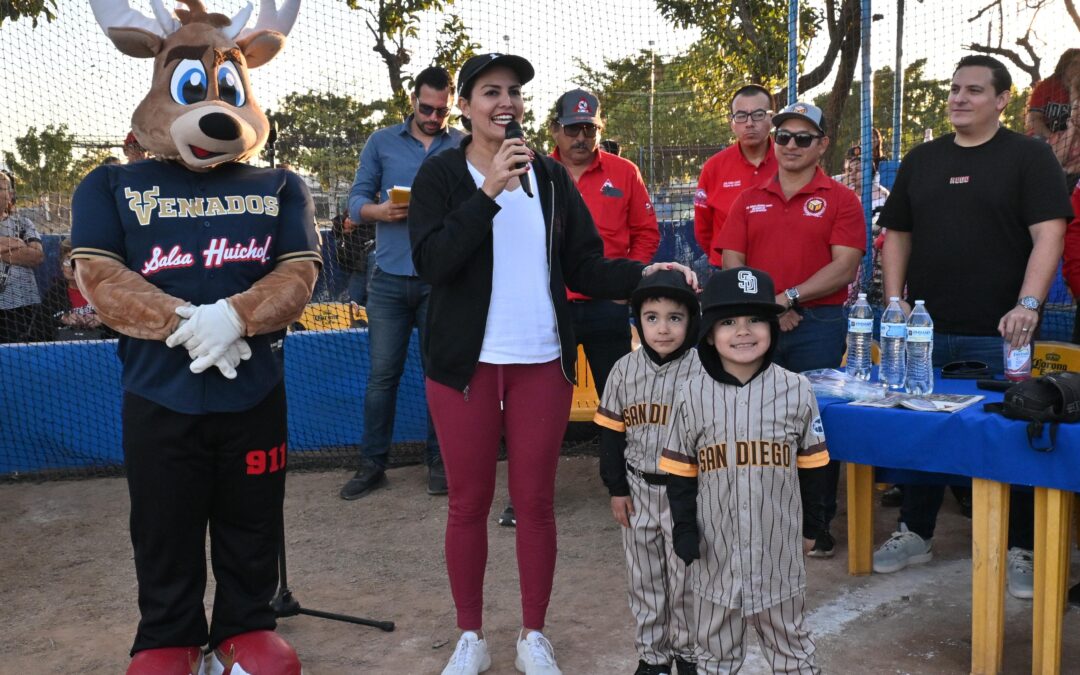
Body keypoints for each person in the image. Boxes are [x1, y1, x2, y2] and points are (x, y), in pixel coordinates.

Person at [407, 52, 696, 675]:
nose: (504, 102)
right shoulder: (442, 176)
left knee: (535, 502)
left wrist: (644, 275)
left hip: (541, 360)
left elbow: (585, 264)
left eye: (513, 91)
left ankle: (534, 634)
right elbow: (433, 263)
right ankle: (471, 636)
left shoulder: (549, 176)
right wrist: (488, 192)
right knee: (468, 502)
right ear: (464, 105)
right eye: (490, 91)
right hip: (465, 365)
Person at [76, 1, 315, 672]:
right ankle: (169, 634)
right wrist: (186, 323)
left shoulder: (279, 186)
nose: (213, 106)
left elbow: (299, 271)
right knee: (163, 524)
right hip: (161, 392)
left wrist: (236, 317)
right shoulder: (112, 184)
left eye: (226, 86)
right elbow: (97, 273)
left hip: (253, 390)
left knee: (252, 520)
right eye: (192, 85)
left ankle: (245, 624)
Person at [877, 55, 1071, 600]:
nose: (959, 98)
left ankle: (1023, 547)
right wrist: (894, 307)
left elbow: (1049, 234)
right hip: (923, 335)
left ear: (1003, 99)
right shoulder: (921, 159)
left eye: (974, 90)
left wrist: (1028, 304)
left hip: (1001, 334)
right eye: (955, 89)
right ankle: (915, 532)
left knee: (1016, 438)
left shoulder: (1029, 156)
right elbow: (896, 235)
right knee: (919, 436)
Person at [492, 89, 662, 530]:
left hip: (606, 306)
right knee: (536, 406)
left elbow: (646, 232)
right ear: (555, 130)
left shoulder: (624, 172)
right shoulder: (530, 170)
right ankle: (525, 496)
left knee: (622, 400)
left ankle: (629, 486)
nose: (581, 137)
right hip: (551, 311)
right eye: (572, 129)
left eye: (589, 129)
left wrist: (632, 281)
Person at [661, 266, 826, 675]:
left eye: (756, 319)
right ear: (709, 332)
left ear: (772, 326)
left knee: (792, 648)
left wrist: (815, 526)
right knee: (715, 653)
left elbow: (814, 466)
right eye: (728, 322)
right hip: (714, 554)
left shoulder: (796, 389)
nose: (743, 332)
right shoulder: (691, 394)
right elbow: (680, 472)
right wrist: (683, 528)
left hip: (778, 555)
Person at [719, 102, 865, 559]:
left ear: (822, 145)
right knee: (751, 423)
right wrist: (767, 308)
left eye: (804, 138)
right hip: (757, 325)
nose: (791, 146)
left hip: (818, 324)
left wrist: (791, 298)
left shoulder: (841, 199)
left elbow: (844, 267)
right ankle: (755, 522)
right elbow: (731, 261)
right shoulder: (748, 198)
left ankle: (815, 525)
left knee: (813, 426)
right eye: (784, 136)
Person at [339, 66, 464, 500]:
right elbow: (354, 203)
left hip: (441, 280)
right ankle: (372, 465)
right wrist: (381, 212)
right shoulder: (381, 141)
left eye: (441, 110)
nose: (433, 116)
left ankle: (439, 461)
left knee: (441, 375)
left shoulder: (462, 144)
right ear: (412, 100)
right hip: (390, 277)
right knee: (381, 377)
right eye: (426, 108)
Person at [594, 269, 700, 675]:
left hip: (687, 495)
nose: (663, 328)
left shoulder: (703, 369)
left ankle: (689, 655)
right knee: (645, 581)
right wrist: (615, 488)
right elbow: (610, 435)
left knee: (688, 579)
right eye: (652, 316)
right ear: (638, 320)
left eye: (675, 317)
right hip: (638, 491)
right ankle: (653, 657)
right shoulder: (623, 369)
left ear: (692, 321)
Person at [693, 84, 779, 268]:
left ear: (771, 119)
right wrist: (722, 260)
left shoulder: (789, 161)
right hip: (726, 272)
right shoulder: (713, 167)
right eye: (741, 116)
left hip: (780, 269)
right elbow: (703, 227)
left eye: (758, 115)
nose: (749, 123)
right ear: (731, 122)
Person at [0, 170, 46, 344]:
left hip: (21, 306)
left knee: (18, 358)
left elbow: (36, 257)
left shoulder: (23, 223)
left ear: (10, 195)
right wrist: (15, 243)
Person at [41, 240, 116, 340]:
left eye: (78, 262)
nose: (72, 267)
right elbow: (40, 326)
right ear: (61, 266)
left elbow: (125, 322)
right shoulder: (53, 294)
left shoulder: (105, 291)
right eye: (68, 261)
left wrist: (102, 320)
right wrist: (63, 319)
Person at [1026, 49, 1080, 144]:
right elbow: (1033, 119)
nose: (1078, 68)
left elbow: (1076, 118)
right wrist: (1052, 137)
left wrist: (1073, 88)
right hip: (1043, 137)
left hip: (1072, 139)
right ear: (1065, 65)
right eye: (1074, 63)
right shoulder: (1046, 86)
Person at [331, 212, 375, 307]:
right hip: (358, 268)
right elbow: (335, 228)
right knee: (351, 302)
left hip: (374, 262)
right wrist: (344, 225)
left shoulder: (369, 225)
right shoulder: (343, 238)